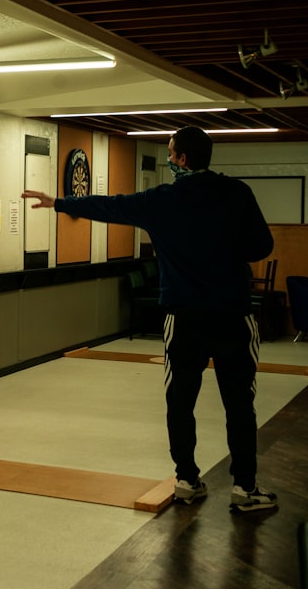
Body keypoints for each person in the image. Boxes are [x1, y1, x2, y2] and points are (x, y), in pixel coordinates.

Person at [21, 126, 277, 512]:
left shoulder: (162, 201)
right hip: (232, 314)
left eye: (172, 153)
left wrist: (58, 203)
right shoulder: (237, 193)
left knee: (180, 399)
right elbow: (262, 245)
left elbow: (111, 206)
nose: (169, 159)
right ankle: (245, 487)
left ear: (183, 159)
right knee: (240, 401)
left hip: (183, 315)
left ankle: (187, 480)